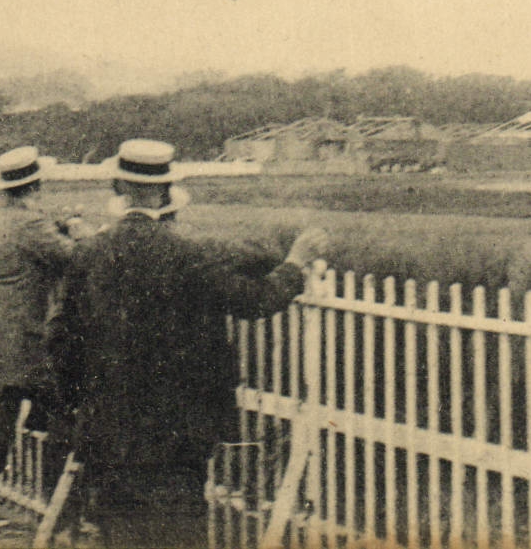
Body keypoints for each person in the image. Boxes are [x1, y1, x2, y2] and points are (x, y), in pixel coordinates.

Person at [49, 139, 327, 548]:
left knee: (121, 530)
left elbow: (61, 341)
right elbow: (254, 301)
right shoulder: (188, 252)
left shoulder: (88, 253)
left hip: (108, 425)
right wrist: (295, 263)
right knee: (179, 529)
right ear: (166, 192)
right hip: (179, 427)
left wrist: (79, 409)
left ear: (117, 189)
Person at [0, 147, 77, 547]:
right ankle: (59, 526)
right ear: (35, 185)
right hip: (18, 345)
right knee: (56, 430)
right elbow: (74, 260)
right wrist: (77, 230)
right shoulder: (29, 223)